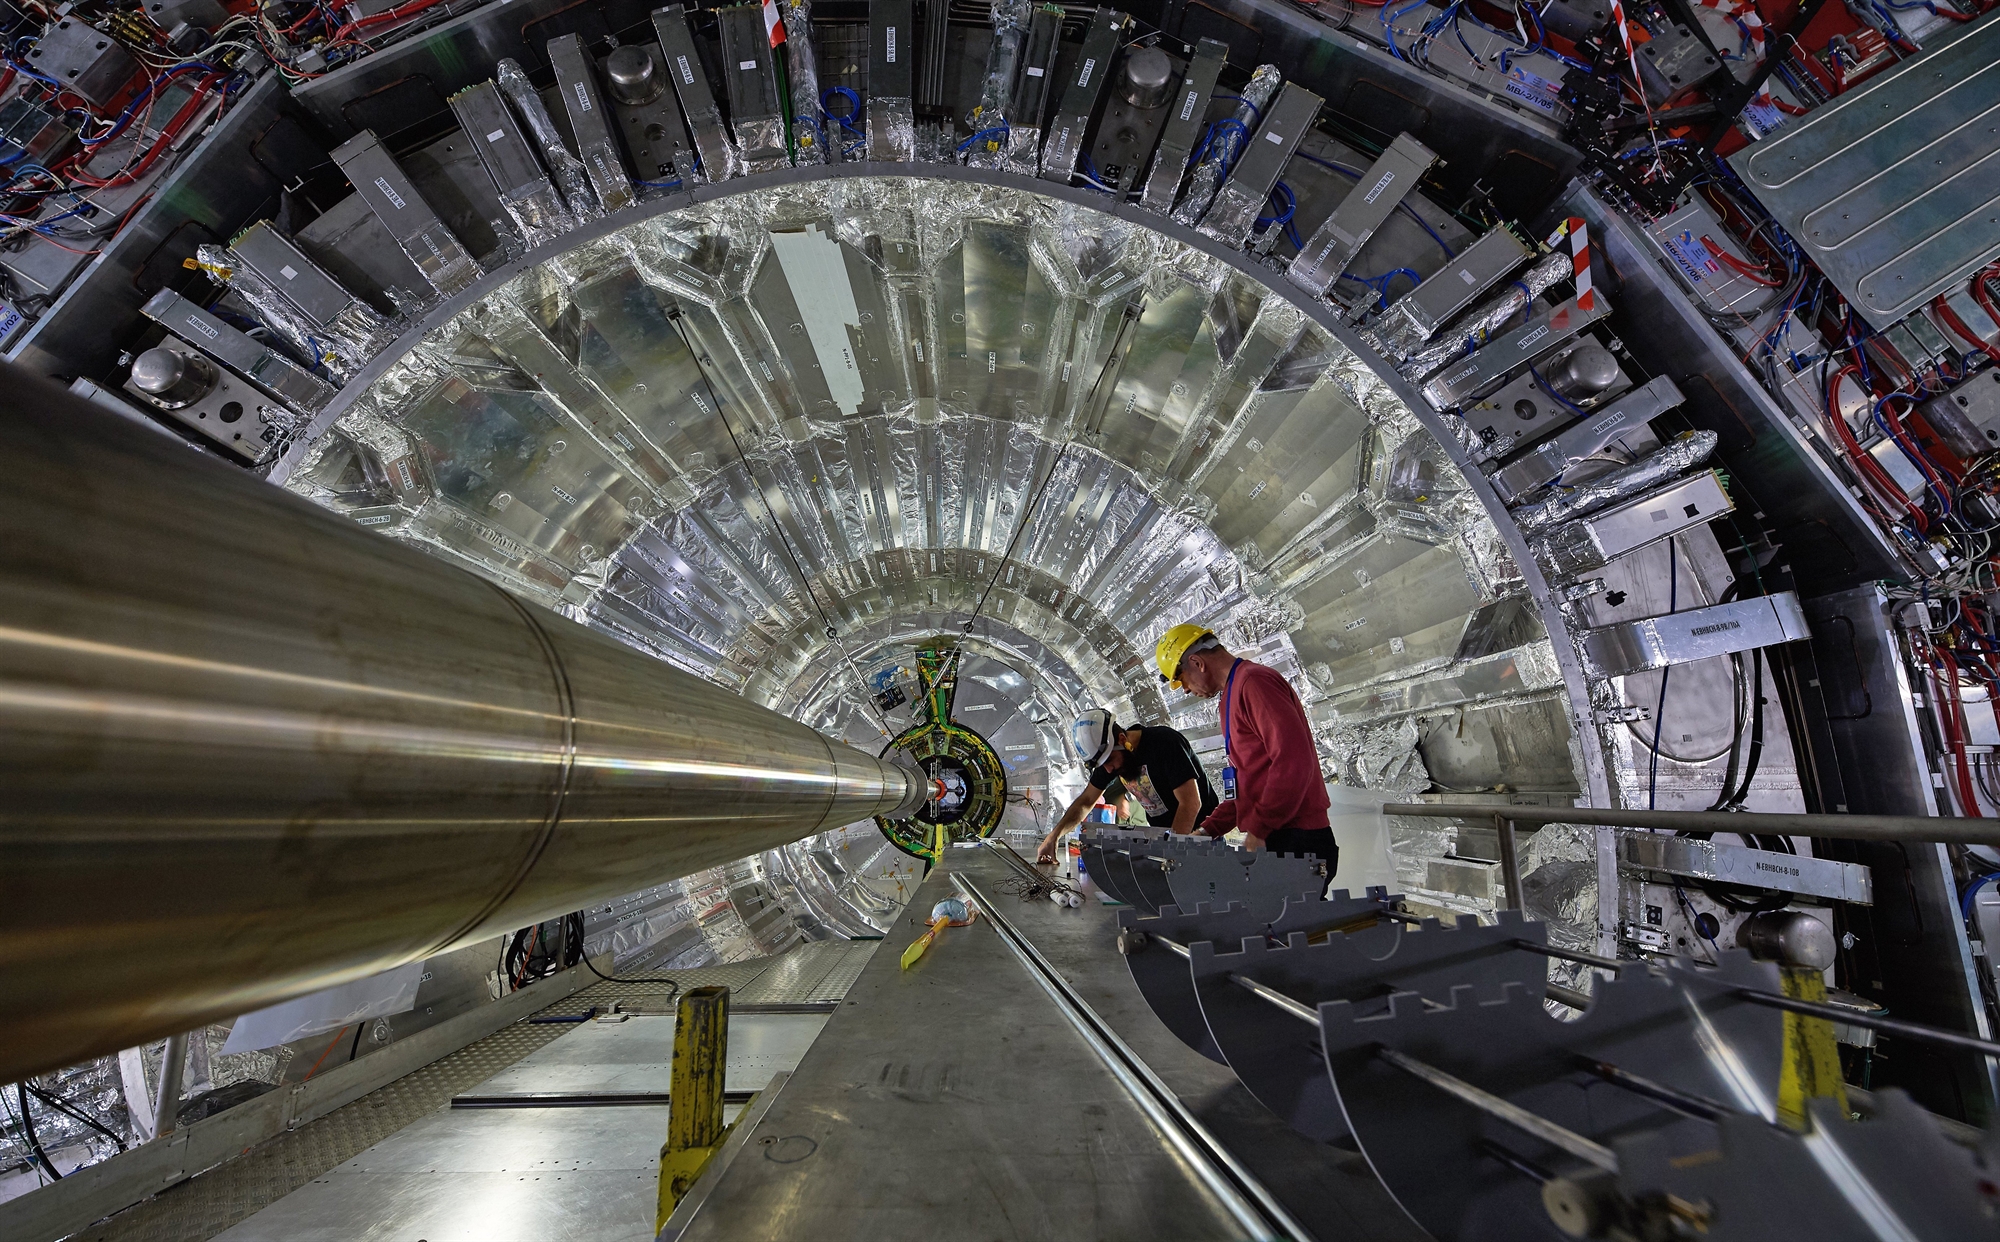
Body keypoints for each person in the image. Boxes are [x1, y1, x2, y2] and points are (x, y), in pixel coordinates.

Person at [1154, 624, 1336, 876]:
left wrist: (1260, 827)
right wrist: (1207, 832)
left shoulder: (1255, 683)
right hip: (1277, 837)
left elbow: (1293, 762)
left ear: (1197, 662)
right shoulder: (1231, 694)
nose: (1185, 689)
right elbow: (1246, 783)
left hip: (1297, 839)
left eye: (1181, 679)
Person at [1035, 708, 1219, 864]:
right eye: (1102, 766)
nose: (1108, 770)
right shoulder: (1108, 759)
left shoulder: (1164, 743)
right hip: (1169, 844)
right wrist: (1054, 837)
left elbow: (1190, 804)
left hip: (1203, 841)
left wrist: (1171, 855)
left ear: (1122, 739)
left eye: (1109, 761)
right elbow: (1086, 801)